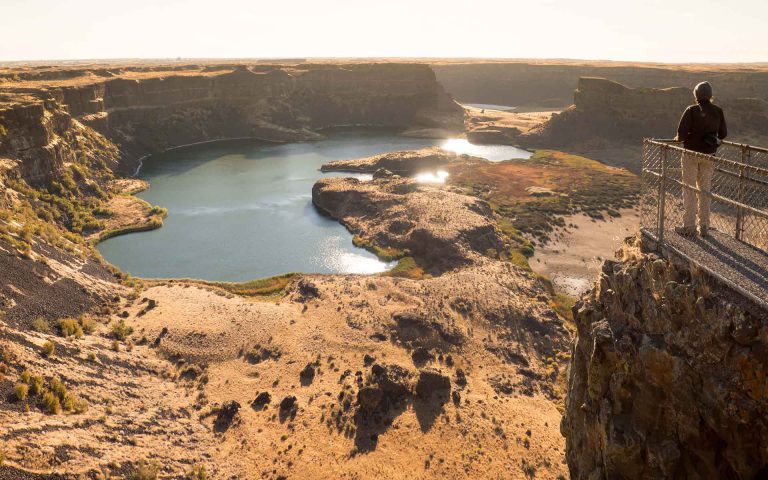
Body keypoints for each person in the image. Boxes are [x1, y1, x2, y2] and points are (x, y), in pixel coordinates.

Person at [674, 81, 727, 237]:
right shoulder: (718, 111)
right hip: (709, 155)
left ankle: (689, 226)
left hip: (691, 154)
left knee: (689, 188)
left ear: (696, 95)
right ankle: (704, 226)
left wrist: (680, 138)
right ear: (710, 95)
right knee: (705, 190)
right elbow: (723, 134)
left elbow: (681, 135)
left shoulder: (691, 110)